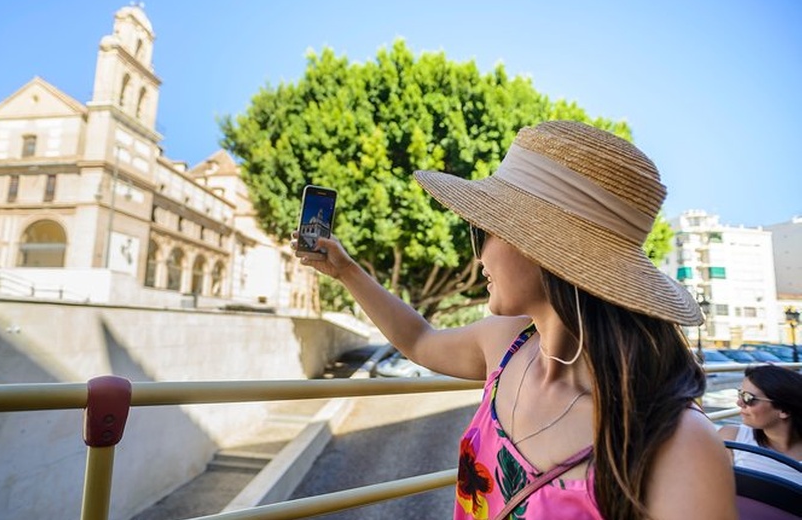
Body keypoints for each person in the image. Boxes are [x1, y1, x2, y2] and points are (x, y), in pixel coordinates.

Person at [294, 121, 736, 519]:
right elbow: (419, 340)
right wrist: (346, 270)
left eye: (486, 229)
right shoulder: (505, 345)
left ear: (542, 249)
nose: (478, 253)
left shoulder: (681, 446)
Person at [719, 365, 802, 485]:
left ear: (784, 410)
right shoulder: (731, 439)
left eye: (748, 398)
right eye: (740, 394)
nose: (739, 403)